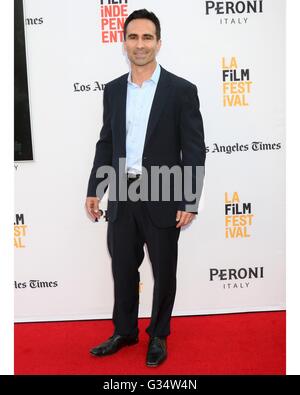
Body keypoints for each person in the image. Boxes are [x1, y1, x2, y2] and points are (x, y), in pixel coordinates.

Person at [85, 9, 206, 367]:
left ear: (158, 43)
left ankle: (158, 334)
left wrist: (190, 198)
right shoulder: (112, 91)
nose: (140, 44)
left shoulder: (181, 91)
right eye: (133, 37)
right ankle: (125, 331)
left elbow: (194, 149)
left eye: (147, 37)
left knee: (164, 269)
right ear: (124, 43)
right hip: (122, 192)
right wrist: (96, 188)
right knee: (123, 267)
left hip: (164, 192)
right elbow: (106, 142)